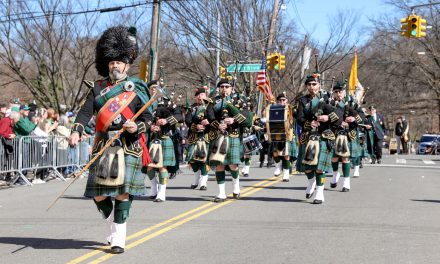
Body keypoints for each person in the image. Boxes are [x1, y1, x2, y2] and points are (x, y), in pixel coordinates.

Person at [68, 26, 153, 254]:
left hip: (129, 145)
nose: (115, 65)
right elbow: (85, 113)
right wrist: (76, 130)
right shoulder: (97, 88)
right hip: (103, 144)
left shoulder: (137, 87)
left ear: (127, 64)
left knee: (123, 193)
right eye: (112, 61)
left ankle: (118, 238)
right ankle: (112, 223)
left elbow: (148, 117)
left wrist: (136, 126)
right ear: (107, 63)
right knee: (98, 193)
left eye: (119, 61)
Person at [296, 74, 341, 204]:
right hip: (309, 135)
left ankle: (320, 193)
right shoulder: (302, 100)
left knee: (320, 167)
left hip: (324, 135)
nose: (311, 87)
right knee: (309, 168)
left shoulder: (327, 98)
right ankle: (311, 182)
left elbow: (339, 113)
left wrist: (328, 117)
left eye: (314, 84)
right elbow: (299, 118)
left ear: (319, 85)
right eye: (309, 84)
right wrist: (309, 123)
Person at [206, 78, 252, 202]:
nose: (224, 89)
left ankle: (236, 187)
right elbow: (209, 116)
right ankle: (221, 193)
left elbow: (248, 119)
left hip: (234, 135)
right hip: (219, 135)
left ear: (231, 88)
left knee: (233, 165)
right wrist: (218, 125)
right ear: (218, 88)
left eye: (227, 86)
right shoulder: (213, 101)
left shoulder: (239, 100)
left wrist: (234, 120)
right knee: (219, 164)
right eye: (222, 86)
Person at [146, 81, 183, 202]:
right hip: (151, 138)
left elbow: (179, 116)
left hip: (165, 138)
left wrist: (166, 121)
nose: (154, 91)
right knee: (149, 167)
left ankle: (162, 192)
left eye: (157, 88)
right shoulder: (145, 104)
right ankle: (154, 186)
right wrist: (150, 127)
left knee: (163, 167)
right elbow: (142, 119)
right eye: (152, 88)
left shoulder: (169, 103)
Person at [329, 83, 362, 191]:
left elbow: (361, 115)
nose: (338, 94)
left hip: (347, 134)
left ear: (344, 92)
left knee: (345, 158)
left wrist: (353, 119)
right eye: (336, 92)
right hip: (333, 133)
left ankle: (346, 182)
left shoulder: (351, 103)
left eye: (340, 91)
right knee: (333, 157)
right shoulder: (329, 103)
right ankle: (335, 175)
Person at [185, 87, 212, 190]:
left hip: (206, 136)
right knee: (193, 160)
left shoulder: (210, 106)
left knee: (204, 160)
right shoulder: (192, 108)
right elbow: (188, 120)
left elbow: (214, 118)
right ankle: (196, 179)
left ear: (206, 96)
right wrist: (196, 126)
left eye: (202, 95)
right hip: (194, 136)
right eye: (198, 96)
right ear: (195, 98)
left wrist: (208, 122)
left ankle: (203, 182)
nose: (200, 97)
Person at [270, 93, 297, 182]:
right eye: (280, 100)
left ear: (286, 100)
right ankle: (278, 166)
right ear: (278, 101)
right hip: (276, 132)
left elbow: (297, 116)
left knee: (286, 155)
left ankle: (285, 174)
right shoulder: (274, 109)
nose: (282, 102)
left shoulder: (291, 109)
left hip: (288, 133)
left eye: (283, 100)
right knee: (275, 153)